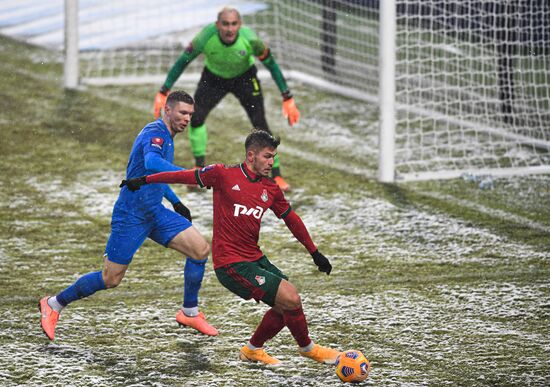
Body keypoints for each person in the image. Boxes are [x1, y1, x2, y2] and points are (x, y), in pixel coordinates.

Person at [121, 130, 341, 366]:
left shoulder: (270, 189)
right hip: (230, 264)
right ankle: (308, 349)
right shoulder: (222, 174)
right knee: (290, 297)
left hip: (254, 258)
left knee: (287, 304)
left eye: (274, 157)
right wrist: (144, 180)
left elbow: (291, 220)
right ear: (251, 155)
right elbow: (184, 175)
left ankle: (253, 350)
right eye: (267, 156)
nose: (272, 162)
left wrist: (314, 252)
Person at [39, 90, 218, 341]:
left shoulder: (167, 135)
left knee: (199, 250)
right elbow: (154, 164)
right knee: (110, 278)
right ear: (167, 110)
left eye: (190, 114)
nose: (187, 118)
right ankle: (54, 303)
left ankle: (189, 312)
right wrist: (192, 174)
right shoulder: (155, 134)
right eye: (182, 112)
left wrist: (176, 203)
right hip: (131, 215)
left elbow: (153, 175)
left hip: (155, 211)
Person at [153, 6, 300, 192]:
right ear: (217, 25)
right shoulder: (205, 38)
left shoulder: (251, 40)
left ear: (240, 25)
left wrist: (287, 96)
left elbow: (271, 64)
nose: (229, 29)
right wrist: (164, 90)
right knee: (196, 118)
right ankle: (199, 166)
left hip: (245, 78)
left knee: (260, 124)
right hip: (214, 79)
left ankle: (276, 174)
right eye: (225, 24)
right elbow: (183, 61)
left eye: (233, 24)